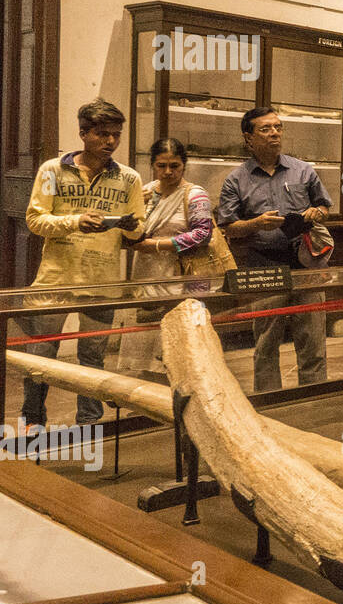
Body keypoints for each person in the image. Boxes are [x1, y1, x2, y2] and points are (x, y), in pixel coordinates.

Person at [19, 99, 145, 429]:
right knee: (41, 359)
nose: (110, 142)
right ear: (83, 133)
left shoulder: (129, 178)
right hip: (56, 280)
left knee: (92, 359)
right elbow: (35, 219)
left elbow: (140, 225)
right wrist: (74, 222)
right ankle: (33, 426)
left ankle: (90, 430)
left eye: (116, 135)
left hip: (102, 281)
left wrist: (131, 227)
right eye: (102, 134)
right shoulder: (52, 170)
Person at [217, 107, 332, 392]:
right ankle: (270, 403)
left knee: (313, 340)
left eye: (278, 127)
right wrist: (256, 224)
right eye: (266, 129)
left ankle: (313, 396)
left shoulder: (303, 170)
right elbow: (228, 227)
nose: (274, 134)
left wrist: (317, 213)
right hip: (263, 267)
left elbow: (324, 205)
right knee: (266, 342)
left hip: (307, 264)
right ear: (248, 138)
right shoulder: (236, 179)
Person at [118, 138, 217, 377]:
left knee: (178, 346)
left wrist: (159, 245)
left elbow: (203, 234)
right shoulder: (146, 192)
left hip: (182, 276)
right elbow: (128, 230)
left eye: (175, 166)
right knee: (145, 338)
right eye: (162, 165)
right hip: (147, 275)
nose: (168, 171)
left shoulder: (195, 195)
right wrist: (131, 211)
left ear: (184, 166)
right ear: (152, 165)